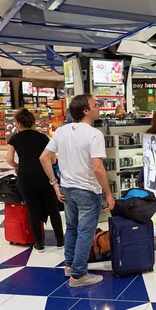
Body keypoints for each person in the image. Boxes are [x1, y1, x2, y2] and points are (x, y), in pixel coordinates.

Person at [40, 94, 115, 288]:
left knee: (72, 228)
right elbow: (97, 167)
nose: (98, 107)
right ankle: (79, 274)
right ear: (85, 111)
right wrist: (108, 192)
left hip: (67, 189)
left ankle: (69, 265)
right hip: (87, 190)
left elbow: (44, 158)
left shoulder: (61, 131)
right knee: (85, 232)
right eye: (94, 105)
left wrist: (55, 184)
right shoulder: (94, 134)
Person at [6, 109, 64, 253]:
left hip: (25, 177)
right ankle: (60, 241)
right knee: (53, 209)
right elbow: (53, 159)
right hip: (44, 176)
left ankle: (39, 243)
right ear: (33, 122)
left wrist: (16, 166)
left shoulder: (14, 139)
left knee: (32, 210)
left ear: (18, 123)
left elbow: (9, 159)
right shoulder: (43, 138)